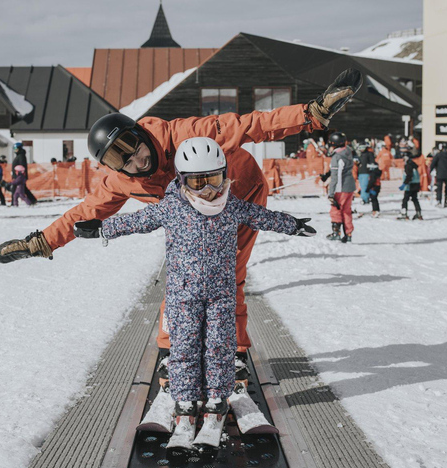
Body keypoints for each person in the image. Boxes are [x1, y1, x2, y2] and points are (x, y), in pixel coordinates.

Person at [0, 68, 364, 367]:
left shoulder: (183, 134)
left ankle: (231, 355)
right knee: (180, 281)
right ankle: (173, 352)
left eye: (136, 150)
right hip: (187, 218)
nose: (139, 162)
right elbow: (87, 211)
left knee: (227, 275)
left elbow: (250, 124)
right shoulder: (120, 180)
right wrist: (43, 241)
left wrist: (310, 115)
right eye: (124, 163)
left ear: (140, 134)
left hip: (238, 195)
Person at [73, 137, 315, 436]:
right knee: (184, 349)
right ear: (182, 180)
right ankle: (185, 403)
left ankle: (216, 400)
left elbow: (261, 216)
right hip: (183, 297)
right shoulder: (171, 207)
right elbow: (136, 221)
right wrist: (101, 227)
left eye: (214, 180)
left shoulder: (232, 206)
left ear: (225, 175)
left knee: (219, 349)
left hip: (221, 296)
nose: (209, 191)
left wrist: (292, 224)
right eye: (198, 183)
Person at [323, 132, 355, 243]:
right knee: (346, 211)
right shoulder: (347, 152)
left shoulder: (337, 157)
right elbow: (341, 169)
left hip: (341, 188)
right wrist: (327, 174)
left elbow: (336, 177)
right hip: (350, 186)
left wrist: (331, 194)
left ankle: (336, 233)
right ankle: (348, 233)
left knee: (335, 210)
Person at [398, 145, 422, 220]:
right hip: (416, 184)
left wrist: (405, 183)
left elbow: (409, 175)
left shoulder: (408, 165)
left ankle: (404, 212)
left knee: (405, 199)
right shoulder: (413, 164)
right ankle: (418, 213)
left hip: (410, 185)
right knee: (415, 199)